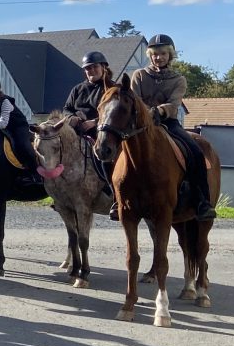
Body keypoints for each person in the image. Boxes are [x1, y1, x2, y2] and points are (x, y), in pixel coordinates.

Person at [128, 33, 218, 221]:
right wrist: (145, 113)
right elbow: (134, 99)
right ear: (150, 55)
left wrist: (158, 112)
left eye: (162, 54)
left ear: (170, 55)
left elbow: (174, 104)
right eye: (154, 54)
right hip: (140, 124)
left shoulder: (179, 79)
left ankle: (202, 200)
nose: (158, 57)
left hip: (168, 122)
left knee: (195, 152)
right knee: (116, 150)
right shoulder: (139, 75)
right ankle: (117, 197)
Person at [61, 50, 117, 211]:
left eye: (94, 67)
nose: (91, 71)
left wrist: (95, 122)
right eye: (88, 68)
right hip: (77, 130)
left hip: (103, 132)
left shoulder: (112, 88)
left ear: (104, 67)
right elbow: (67, 108)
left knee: (104, 156)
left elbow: (116, 114)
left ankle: (112, 191)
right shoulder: (78, 89)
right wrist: (72, 117)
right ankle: (60, 194)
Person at [0, 71, 39, 183]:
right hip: (2, 129)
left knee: (21, 144)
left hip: (18, 127)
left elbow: (3, 122)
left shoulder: (5, 101)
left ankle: (35, 173)